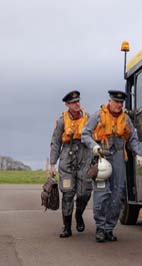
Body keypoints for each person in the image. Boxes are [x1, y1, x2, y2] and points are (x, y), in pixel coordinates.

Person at [81, 90, 142, 242]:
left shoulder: (126, 119)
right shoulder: (97, 116)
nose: (118, 105)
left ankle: (109, 228)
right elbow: (85, 134)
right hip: (101, 155)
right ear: (109, 101)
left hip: (118, 158)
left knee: (118, 194)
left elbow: (133, 139)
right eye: (116, 102)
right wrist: (94, 146)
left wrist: (139, 153)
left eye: (121, 103)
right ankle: (100, 228)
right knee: (102, 193)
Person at [49, 90, 92, 238]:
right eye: (73, 102)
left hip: (84, 159)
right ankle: (66, 227)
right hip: (67, 161)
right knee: (67, 194)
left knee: (85, 193)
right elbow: (55, 143)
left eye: (78, 101)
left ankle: (78, 215)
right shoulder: (61, 121)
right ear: (67, 105)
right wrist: (52, 164)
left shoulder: (89, 118)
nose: (77, 104)